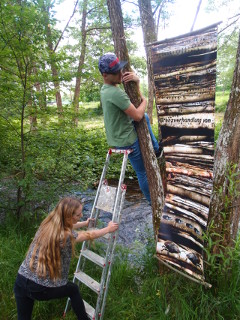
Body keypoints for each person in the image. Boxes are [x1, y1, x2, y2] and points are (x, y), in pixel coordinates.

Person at [14, 197, 118, 320]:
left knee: (23, 317)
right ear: (69, 216)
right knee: (73, 289)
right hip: (39, 288)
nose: (81, 215)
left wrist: (85, 223)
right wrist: (108, 229)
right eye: (79, 214)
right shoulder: (65, 236)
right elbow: (89, 234)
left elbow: (67, 226)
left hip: (21, 280)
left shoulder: (48, 223)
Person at [98, 52, 163, 203]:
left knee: (146, 117)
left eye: (120, 69)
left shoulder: (106, 89)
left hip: (116, 136)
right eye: (116, 72)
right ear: (105, 75)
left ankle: (156, 149)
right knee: (142, 172)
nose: (121, 74)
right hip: (126, 139)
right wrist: (146, 100)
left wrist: (137, 83)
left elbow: (135, 105)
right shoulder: (115, 93)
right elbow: (138, 115)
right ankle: (152, 202)